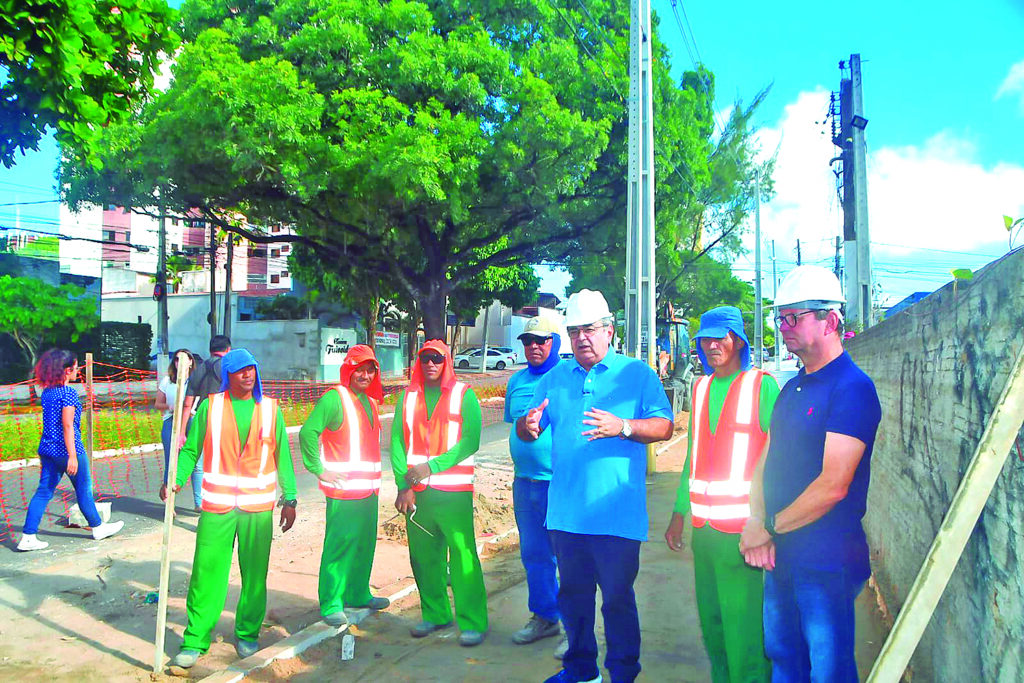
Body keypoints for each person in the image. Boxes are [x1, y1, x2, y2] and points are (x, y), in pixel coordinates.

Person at [518, 289, 674, 683]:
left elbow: (664, 425)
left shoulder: (636, 375)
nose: (581, 338)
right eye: (574, 331)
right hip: (567, 516)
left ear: (609, 330)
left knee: (618, 601)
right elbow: (529, 425)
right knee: (574, 601)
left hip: (616, 517)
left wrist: (623, 427)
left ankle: (622, 674)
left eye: (589, 329)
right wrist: (529, 426)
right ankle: (581, 670)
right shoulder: (556, 377)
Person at [739, 266, 881, 683]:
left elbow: (833, 485)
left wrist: (768, 527)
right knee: (783, 656)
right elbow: (768, 454)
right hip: (783, 553)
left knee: (828, 669)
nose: (783, 327)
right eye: (779, 318)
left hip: (826, 560)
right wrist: (754, 518)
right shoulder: (793, 387)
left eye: (793, 317)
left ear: (830, 320)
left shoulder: (852, 389)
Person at [664, 306, 780, 683]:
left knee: (744, 629)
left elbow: (779, 457)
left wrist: (765, 524)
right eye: (705, 339)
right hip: (705, 532)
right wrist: (679, 513)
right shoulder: (699, 388)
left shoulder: (761, 386)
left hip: (743, 534)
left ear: (738, 342)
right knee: (713, 625)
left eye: (721, 337)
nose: (712, 345)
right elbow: (692, 458)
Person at [170, 348, 298, 669]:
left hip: (257, 508)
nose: (248, 374)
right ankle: (196, 638)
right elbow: (190, 451)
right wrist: (175, 479)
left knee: (255, 575)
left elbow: (283, 456)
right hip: (218, 507)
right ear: (228, 374)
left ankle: (247, 633)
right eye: (240, 369)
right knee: (206, 573)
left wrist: (291, 497)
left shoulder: (270, 410)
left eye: (252, 368)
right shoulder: (210, 409)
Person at [390, 339, 488, 647]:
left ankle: (473, 621)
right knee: (423, 558)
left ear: (447, 362)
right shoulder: (406, 398)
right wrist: (403, 486)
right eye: (425, 359)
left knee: (463, 556)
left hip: (454, 492)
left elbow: (470, 442)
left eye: (437, 359)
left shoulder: (465, 396)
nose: (431, 364)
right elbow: (396, 444)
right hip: (418, 495)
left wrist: (431, 467)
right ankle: (435, 613)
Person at [299, 345, 391, 628]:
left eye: (369, 370)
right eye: (359, 370)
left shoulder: (369, 402)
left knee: (364, 545)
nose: (364, 375)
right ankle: (331, 602)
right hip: (344, 490)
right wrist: (318, 469)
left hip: (369, 491)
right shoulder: (334, 399)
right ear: (348, 370)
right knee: (339, 547)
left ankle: (358, 593)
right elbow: (307, 432)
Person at [18, 349, 125, 551]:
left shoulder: (48, 392)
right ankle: (98, 527)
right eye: (76, 367)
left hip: (47, 448)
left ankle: (28, 536)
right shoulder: (68, 393)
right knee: (83, 489)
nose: (78, 371)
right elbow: (68, 425)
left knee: (43, 492)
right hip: (68, 449)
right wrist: (73, 456)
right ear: (67, 370)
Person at [504, 310, 564, 651]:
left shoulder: (568, 378)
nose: (533, 347)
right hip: (524, 484)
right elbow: (515, 424)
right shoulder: (517, 381)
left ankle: (575, 628)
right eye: (528, 341)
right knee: (534, 555)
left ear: (554, 343)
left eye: (541, 340)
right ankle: (545, 617)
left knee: (568, 557)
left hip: (558, 483)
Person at [155, 348, 203, 510]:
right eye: (176, 359)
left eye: (183, 359)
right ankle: (170, 503)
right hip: (171, 420)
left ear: (191, 361)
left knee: (196, 462)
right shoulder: (168, 381)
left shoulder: (196, 380)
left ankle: (199, 503)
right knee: (172, 460)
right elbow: (157, 404)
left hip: (191, 419)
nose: (179, 362)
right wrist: (171, 406)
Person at [181, 334, 231, 420]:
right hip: (224, 415)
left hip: (203, 415)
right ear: (228, 349)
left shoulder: (197, 369)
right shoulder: (230, 368)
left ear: (210, 350)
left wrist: (182, 431)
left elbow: (187, 404)